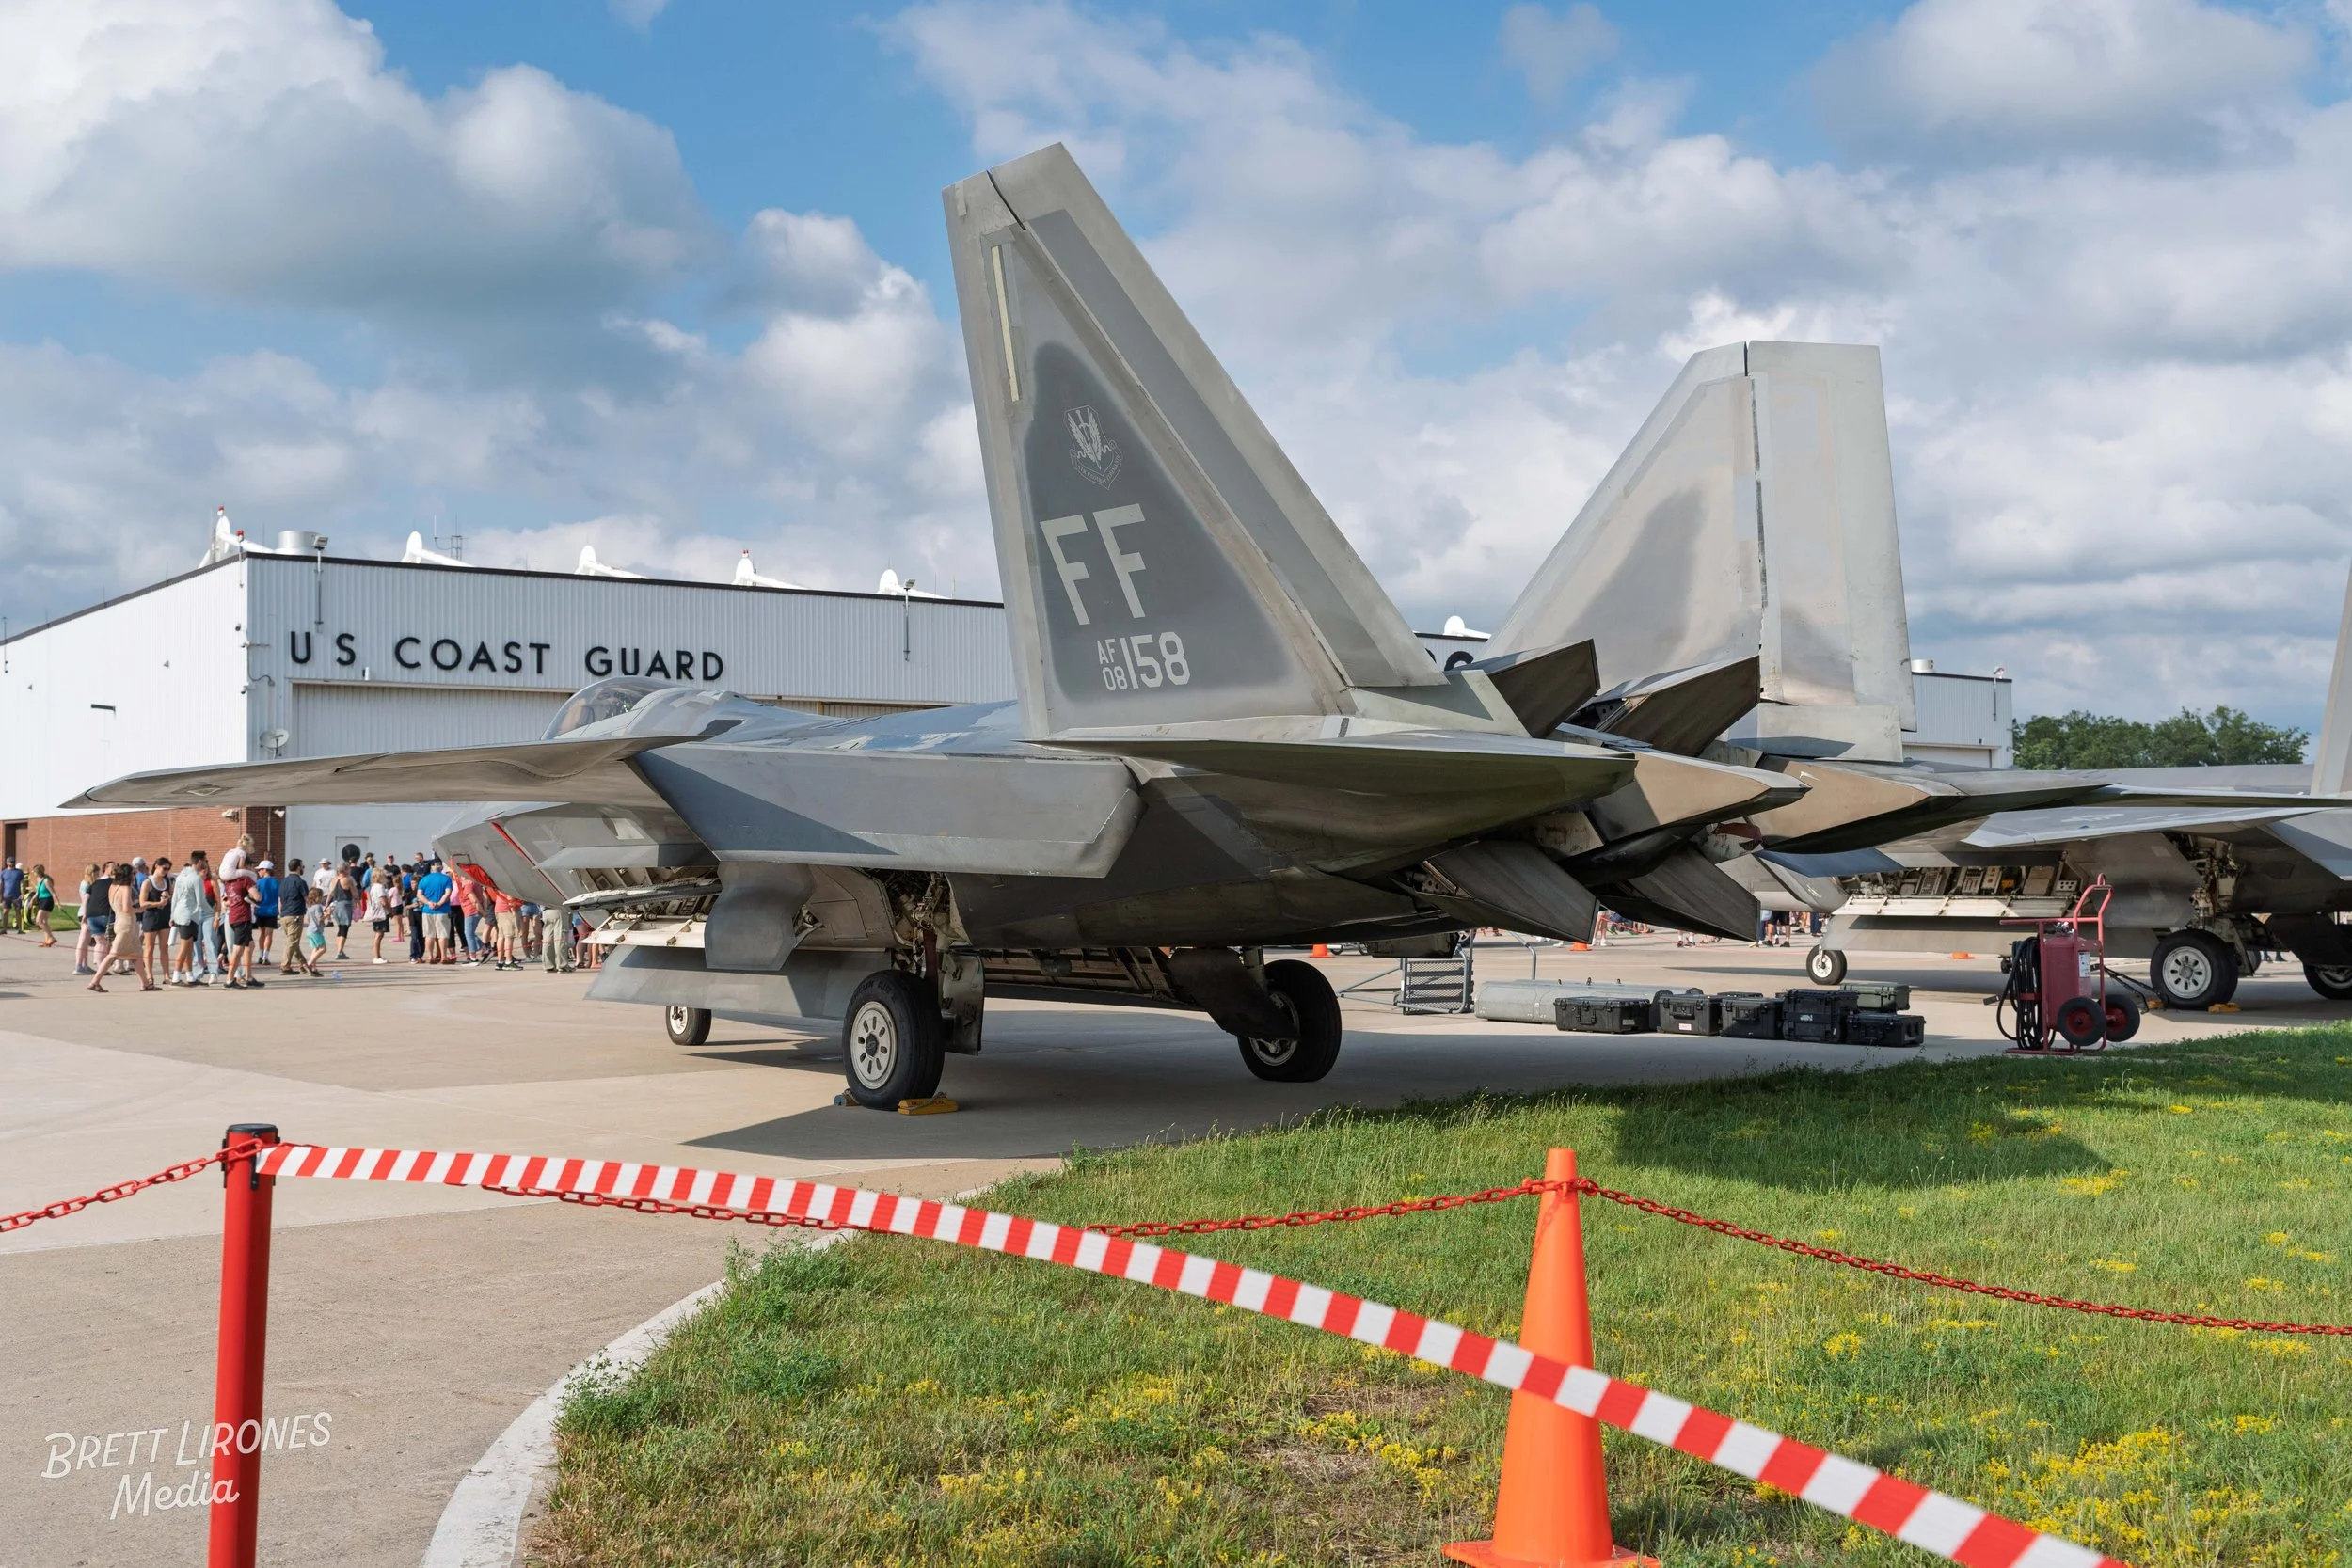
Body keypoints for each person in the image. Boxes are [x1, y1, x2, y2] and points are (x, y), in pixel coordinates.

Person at [169, 850, 212, 987]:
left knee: (188, 948)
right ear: (199, 862)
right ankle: (176, 977)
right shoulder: (196, 878)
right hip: (188, 915)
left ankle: (190, 976)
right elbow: (201, 900)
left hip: (180, 913)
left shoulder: (181, 875)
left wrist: (172, 914)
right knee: (185, 947)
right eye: (205, 861)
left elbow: (175, 896)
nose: (205, 864)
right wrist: (214, 911)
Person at [278, 859, 319, 976]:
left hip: (284, 915)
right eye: (303, 867)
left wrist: (281, 914)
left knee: (293, 942)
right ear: (298, 867)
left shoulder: (283, 881)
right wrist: (315, 911)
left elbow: (280, 900)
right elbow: (307, 899)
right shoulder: (300, 882)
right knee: (292, 942)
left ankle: (303, 965)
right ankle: (285, 966)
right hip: (295, 914)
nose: (303, 869)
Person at [139, 857, 173, 978]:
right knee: (149, 947)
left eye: (168, 869)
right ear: (157, 866)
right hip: (151, 917)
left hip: (164, 916)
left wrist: (168, 897)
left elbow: (172, 897)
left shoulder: (167, 882)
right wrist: (158, 904)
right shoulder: (147, 882)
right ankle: (149, 975)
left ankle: (166, 975)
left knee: (164, 948)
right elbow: (142, 903)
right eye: (164, 868)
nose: (166, 871)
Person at [417, 859, 454, 964]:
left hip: (427, 910)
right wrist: (439, 903)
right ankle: (443, 956)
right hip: (442, 910)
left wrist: (429, 903)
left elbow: (419, 894)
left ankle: (431, 956)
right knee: (443, 934)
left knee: (429, 935)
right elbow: (448, 893)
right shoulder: (446, 879)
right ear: (441, 867)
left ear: (431, 867)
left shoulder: (424, 879)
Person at [251, 860, 279, 967]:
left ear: (265, 870)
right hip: (272, 911)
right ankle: (266, 957)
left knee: (261, 933)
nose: (259, 872)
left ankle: (260, 954)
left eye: (260, 870)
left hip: (260, 910)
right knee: (269, 934)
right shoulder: (277, 882)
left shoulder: (258, 883)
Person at [73, 863, 101, 975]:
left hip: (88, 912)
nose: (98, 876)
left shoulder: (89, 884)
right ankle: (79, 965)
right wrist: (86, 914)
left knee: (86, 941)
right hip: (86, 913)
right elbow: (85, 900)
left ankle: (84, 965)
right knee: (83, 940)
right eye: (97, 873)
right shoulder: (85, 885)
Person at [328, 858, 358, 960]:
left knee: (340, 927)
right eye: (348, 869)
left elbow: (331, 893)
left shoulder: (334, 879)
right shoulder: (348, 880)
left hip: (336, 905)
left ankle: (339, 950)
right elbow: (354, 893)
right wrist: (357, 901)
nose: (349, 870)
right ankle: (339, 952)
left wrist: (327, 905)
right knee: (345, 928)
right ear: (344, 870)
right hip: (345, 905)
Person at [366, 869, 394, 964]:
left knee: (379, 934)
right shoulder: (379, 887)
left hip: (376, 911)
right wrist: (391, 911)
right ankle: (377, 956)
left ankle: (377, 956)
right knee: (379, 934)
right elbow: (383, 901)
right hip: (381, 912)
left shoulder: (373, 887)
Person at [30, 865, 57, 947]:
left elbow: (53, 892)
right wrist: (32, 900)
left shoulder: (46, 880)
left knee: (38, 921)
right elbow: (37, 892)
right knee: (44, 922)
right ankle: (47, 941)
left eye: (34, 872)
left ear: (38, 872)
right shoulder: (39, 880)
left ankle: (51, 937)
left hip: (47, 901)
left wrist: (58, 904)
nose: (33, 873)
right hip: (41, 901)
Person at [1, 855, 22, 933]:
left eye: (13, 862)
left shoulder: (19, 872)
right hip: (6, 895)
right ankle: (4, 929)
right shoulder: (3, 872)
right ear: (7, 863)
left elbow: (23, 883)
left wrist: (22, 893)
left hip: (17, 896)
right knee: (5, 912)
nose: (12, 863)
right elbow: (1, 885)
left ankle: (20, 929)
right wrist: (1, 895)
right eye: (10, 862)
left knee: (18, 911)